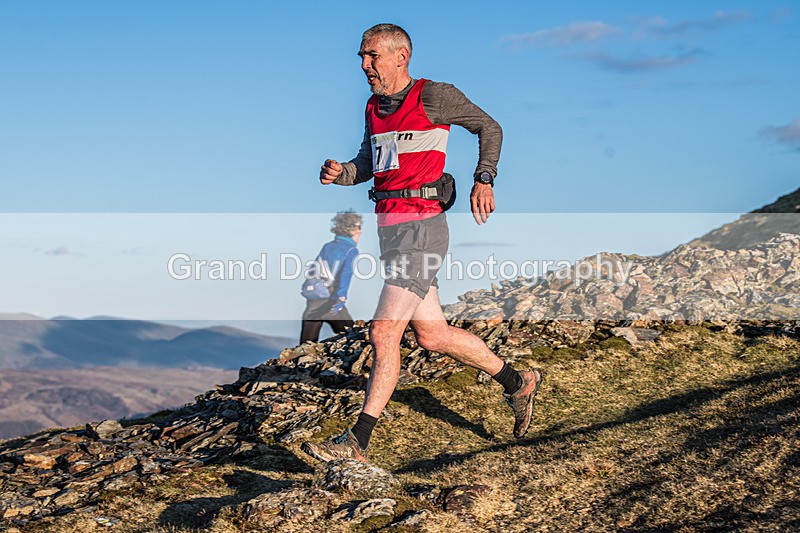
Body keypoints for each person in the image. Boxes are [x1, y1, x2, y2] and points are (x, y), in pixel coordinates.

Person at [302, 24, 542, 463]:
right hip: (391, 230)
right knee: (432, 335)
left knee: (383, 330)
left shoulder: (433, 96)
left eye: (372, 55)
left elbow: (489, 127)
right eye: (361, 57)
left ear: (401, 56)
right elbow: (369, 163)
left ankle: (356, 442)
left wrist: (484, 178)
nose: (364, 65)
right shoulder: (374, 107)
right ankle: (518, 382)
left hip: (423, 228)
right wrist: (342, 174)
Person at [299, 211, 362, 344]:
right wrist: (341, 297)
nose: (360, 231)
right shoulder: (351, 250)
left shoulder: (327, 246)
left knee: (305, 347)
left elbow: (312, 270)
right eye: (358, 227)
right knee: (354, 337)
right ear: (350, 229)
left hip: (313, 300)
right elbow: (345, 275)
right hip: (331, 301)